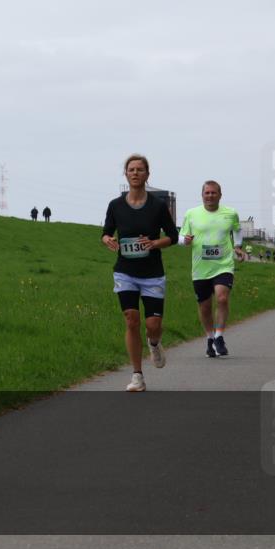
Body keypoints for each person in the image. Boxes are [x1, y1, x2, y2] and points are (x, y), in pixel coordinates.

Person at [101, 154, 178, 391]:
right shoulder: (115, 205)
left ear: (147, 174)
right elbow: (106, 232)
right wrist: (108, 240)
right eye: (131, 169)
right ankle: (137, 376)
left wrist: (155, 243)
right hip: (125, 271)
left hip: (152, 273)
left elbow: (173, 237)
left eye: (140, 169)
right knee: (132, 319)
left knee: (153, 324)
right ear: (125, 174)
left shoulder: (157, 206)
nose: (135, 173)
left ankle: (154, 344)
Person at [179, 181, 247, 357]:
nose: (210, 196)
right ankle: (210, 338)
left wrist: (238, 246)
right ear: (202, 195)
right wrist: (184, 241)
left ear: (220, 195)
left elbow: (237, 230)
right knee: (205, 306)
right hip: (200, 267)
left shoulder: (230, 213)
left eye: (213, 193)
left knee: (222, 298)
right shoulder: (191, 214)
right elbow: (181, 236)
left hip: (223, 264)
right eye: (207, 193)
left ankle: (219, 336)